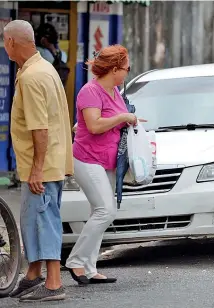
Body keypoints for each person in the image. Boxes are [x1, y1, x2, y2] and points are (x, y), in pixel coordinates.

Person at [4, 20, 73, 302]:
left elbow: (39, 128)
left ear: (11, 43)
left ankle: (54, 284)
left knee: (44, 221)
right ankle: (33, 275)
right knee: (35, 220)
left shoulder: (33, 76)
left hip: (42, 166)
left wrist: (36, 169)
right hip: (50, 162)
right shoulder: (42, 68)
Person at [65, 45, 137, 285]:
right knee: (105, 210)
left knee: (101, 212)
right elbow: (94, 126)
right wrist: (123, 117)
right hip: (86, 158)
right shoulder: (90, 91)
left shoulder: (115, 91)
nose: (128, 72)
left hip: (107, 161)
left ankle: (90, 266)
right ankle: (76, 261)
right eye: (127, 68)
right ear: (115, 69)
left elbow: (84, 123)